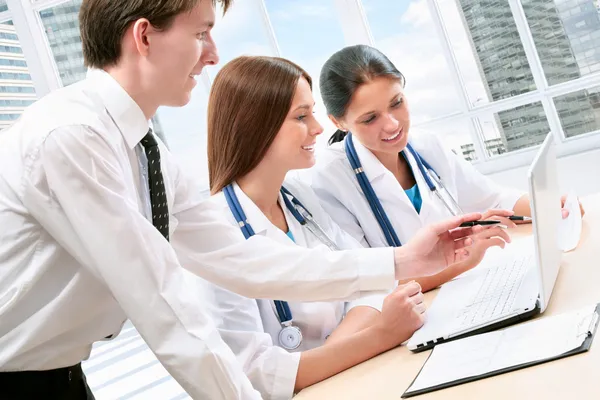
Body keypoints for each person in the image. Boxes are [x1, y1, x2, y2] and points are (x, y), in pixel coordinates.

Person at [0, 2, 494, 399]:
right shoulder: (72, 139)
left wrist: (405, 260)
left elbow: (245, 259)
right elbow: (165, 309)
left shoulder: (139, 147)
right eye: (201, 33)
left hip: (58, 373)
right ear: (145, 36)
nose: (213, 54)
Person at [202, 55, 509, 399]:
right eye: (302, 117)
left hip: (355, 376)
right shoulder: (213, 236)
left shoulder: (299, 198)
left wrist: (347, 345)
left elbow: (365, 285)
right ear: (256, 127)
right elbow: (261, 376)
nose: (319, 128)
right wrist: (379, 334)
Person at [310, 44, 585, 292]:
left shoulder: (426, 145)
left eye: (397, 103)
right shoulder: (330, 180)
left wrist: (547, 205)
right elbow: (367, 282)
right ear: (339, 122)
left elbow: (492, 199)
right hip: (418, 311)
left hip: (468, 287)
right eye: (370, 119)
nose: (392, 124)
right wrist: (464, 261)